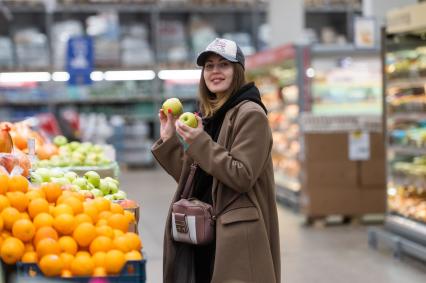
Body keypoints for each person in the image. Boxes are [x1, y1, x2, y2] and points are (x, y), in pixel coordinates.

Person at [152, 38, 280, 283]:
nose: (215, 71)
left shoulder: (251, 114)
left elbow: (241, 175)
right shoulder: (210, 114)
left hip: (235, 235)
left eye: (224, 65)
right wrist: (169, 139)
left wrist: (199, 141)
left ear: (238, 71)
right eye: (209, 66)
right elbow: (196, 176)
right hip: (204, 232)